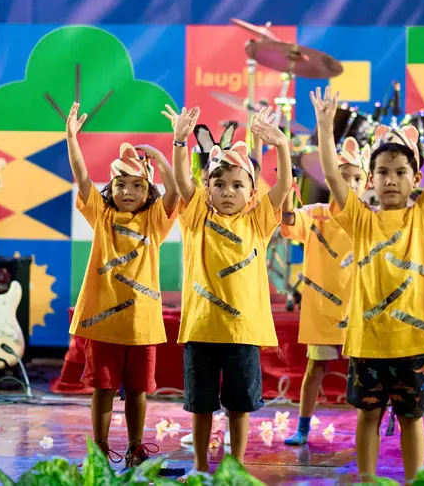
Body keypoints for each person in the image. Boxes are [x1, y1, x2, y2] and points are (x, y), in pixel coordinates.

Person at [310, 73, 424, 484]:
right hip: (368, 339)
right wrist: (325, 127)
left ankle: (414, 481)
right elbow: (332, 175)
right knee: (368, 416)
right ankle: (369, 480)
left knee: (412, 420)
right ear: (370, 180)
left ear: (415, 178)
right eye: (383, 172)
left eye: (400, 171)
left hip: (415, 341)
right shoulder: (358, 218)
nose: (391, 180)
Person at [163, 105, 292, 479]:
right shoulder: (196, 218)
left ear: (252, 192)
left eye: (238, 185)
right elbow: (184, 181)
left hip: (243, 333)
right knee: (200, 406)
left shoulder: (258, 221)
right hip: (202, 330)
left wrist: (281, 145)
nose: (228, 191)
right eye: (219, 184)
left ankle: (234, 468)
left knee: (240, 407)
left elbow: (283, 186)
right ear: (208, 189)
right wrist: (179, 141)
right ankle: (201, 467)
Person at [65, 103, 180, 468]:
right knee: (102, 387)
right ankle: (98, 450)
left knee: (138, 390)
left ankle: (134, 448)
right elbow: (82, 179)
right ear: (110, 187)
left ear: (148, 191)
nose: (127, 191)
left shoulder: (155, 222)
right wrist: (71, 138)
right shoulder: (101, 215)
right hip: (103, 322)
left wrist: (164, 160)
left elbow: (176, 194)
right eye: (120, 184)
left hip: (141, 325)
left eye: (137, 185)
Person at [282, 137, 369, 446]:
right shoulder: (315, 213)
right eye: (343, 177)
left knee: (366, 375)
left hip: (360, 311)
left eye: (357, 178)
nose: (350, 184)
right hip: (323, 312)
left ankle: (370, 427)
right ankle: (303, 427)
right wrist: (285, 192)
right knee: (315, 368)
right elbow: (290, 221)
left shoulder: (369, 218)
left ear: (367, 182)